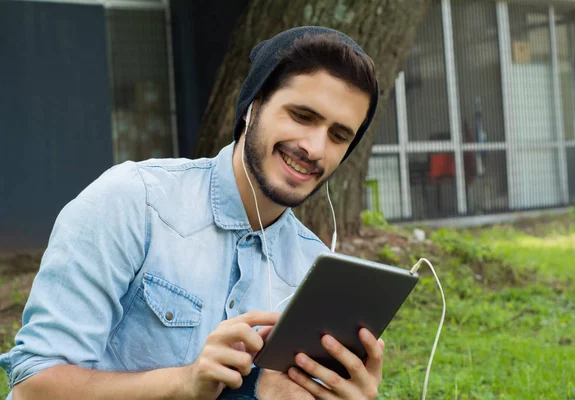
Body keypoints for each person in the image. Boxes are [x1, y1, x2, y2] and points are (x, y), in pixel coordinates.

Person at [0, 26, 383, 400]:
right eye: (302, 115)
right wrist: (184, 384)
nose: (315, 148)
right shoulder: (133, 201)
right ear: (253, 107)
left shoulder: (316, 272)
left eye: (338, 136)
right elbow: (34, 385)